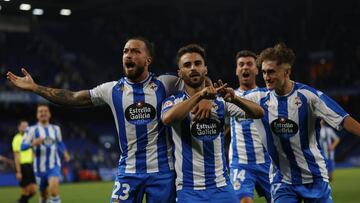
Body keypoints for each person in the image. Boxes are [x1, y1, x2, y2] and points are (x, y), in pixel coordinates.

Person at [7, 37, 211, 203]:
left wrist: (206, 98)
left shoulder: (167, 83)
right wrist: (35, 88)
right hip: (128, 172)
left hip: (163, 173)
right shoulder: (111, 89)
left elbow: (197, 76)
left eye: (135, 51)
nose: (128, 55)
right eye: (125, 51)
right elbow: (72, 98)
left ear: (148, 59)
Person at [234, 42, 360, 203]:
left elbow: (344, 119)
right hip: (282, 181)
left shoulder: (309, 97)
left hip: (314, 177)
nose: (266, 77)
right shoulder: (257, 97)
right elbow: (225, 105)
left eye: (271, 72)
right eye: (264, 72)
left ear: (287, 72)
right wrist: (206, 99)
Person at [161, 44, 264, 203]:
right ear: (180, 73)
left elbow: (258, 112)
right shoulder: (173, 101)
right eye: (187, 65)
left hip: (221, 186)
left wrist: (234, 98)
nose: (193, 68)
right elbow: (168, 118)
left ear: (205, 69)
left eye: (198, 63)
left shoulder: (220, 103)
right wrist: (201, 96)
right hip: (189, 189)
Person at [228, 50, 271, 203]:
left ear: (257, 69)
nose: (245, 67)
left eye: (249, 64)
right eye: (241, 64)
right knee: (244, 201)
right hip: (241, 163)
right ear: (236, 70)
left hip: (268, 162)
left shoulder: (267, 94)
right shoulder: (228, 96)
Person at [21, 104, 70, 203]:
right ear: (37, 115)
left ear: (49, 114)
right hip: (39, 168)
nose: (43, 113)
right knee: (44, 196)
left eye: (45, 111)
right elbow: (22, 147)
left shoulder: (56, 129)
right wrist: (33, 143)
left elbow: (60, 142)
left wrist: (65, 152)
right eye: (40, 111)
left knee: (54, 191)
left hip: (54, 165)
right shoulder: (31, 130)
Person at [12, 119, 37, 203]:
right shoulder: (17, 138)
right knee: (25, 190)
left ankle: (20, 201)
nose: (25, 128)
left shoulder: (30, 138)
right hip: (22, 166)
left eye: (26, 127)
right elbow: (16, 156)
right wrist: (18, 171)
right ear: (19, 127)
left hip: (30, 165)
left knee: (33, 190)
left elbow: (33, 152)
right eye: (23, 126)